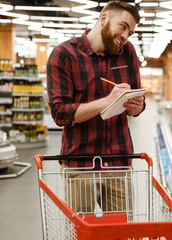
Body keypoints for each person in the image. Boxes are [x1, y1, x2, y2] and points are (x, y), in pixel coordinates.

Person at [46, 1, 145, 215]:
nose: (126, 36)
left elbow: (136, 104)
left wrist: (136, 106)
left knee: (121, 234)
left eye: (131, 32)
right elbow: (60, 113)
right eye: (123, 26)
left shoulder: (127, 52)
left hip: (119, 162)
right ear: (104, 19)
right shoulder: (64, 54)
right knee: (83, 234)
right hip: (81, 164)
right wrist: (108, 100)